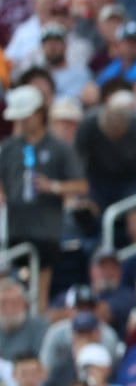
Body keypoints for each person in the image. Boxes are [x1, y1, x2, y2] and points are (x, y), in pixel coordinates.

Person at [0, 84, 87, 310]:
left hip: (45, 230)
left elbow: (81, 185)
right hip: (13, 228)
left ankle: (37, 329)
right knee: (10, 287)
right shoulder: (8, 148)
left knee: (39, 289)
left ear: (39, 114)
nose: (19, 124)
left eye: (24, 118)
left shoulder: (59, 148)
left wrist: (54, 187)